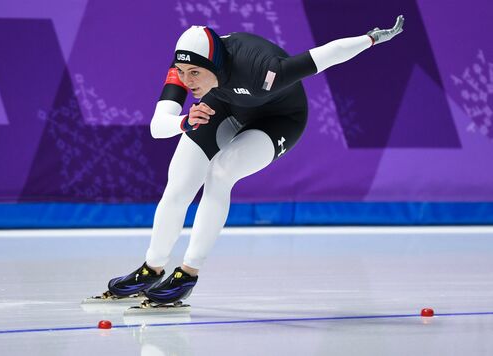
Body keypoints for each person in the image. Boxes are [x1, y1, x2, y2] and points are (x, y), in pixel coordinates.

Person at [106, 15, 405, 306]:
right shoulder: (186, 66)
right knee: (180, 182)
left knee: (220, 173)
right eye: (181, 71)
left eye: (194, 73)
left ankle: (187, 273)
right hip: (224, 104)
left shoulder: (261, 68)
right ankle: (151, 268)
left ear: (213, 66)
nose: (186, 80)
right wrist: (185, 121)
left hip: (278, 118)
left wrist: (371, 39)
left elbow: (325, 55)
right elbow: (158, 127)